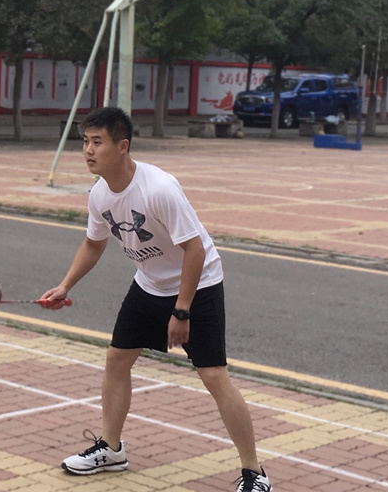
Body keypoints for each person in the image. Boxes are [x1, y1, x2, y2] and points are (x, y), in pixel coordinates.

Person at [41, 107, 271, 492]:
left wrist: (182, 311)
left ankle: (255, 472)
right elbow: (94, 244)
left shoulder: (159, 189)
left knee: (214, 376)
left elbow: (195, 250)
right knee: (117, 359)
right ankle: (111, 449)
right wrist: (65, 285)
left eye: (97, 142)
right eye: (85, 142)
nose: (88, 151)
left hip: (198, 285)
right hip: (149, 285)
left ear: (122, 146)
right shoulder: (100, 194)